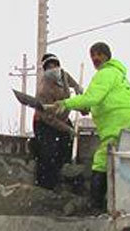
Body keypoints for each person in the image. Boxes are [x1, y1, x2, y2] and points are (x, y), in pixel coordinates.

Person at [44, 42, 130, 211]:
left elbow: (92, 97)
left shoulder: (105, 74)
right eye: (93, 56)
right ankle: (113, 204)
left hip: (118, 121)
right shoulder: (117, 75)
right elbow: (99, 100)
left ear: (107, 56)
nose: (95, 59)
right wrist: (85, 107)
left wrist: (64, 103)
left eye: (99, 54)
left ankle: (96, 206)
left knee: (101, 161)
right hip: (128, 120)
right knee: (115, 161)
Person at [33, 53, 83, 190]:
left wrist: (78, 88)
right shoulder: (44, 90)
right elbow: (49, 118)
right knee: (48, 154)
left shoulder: (63, 75)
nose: (53, 69)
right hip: (45, 123)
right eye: (49, 67)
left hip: (62, 118)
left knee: (67, 147)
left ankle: (66, 182)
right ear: (45, 70)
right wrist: (67, 129)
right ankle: (46, 187)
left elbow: (71, 83)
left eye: (55, 65)